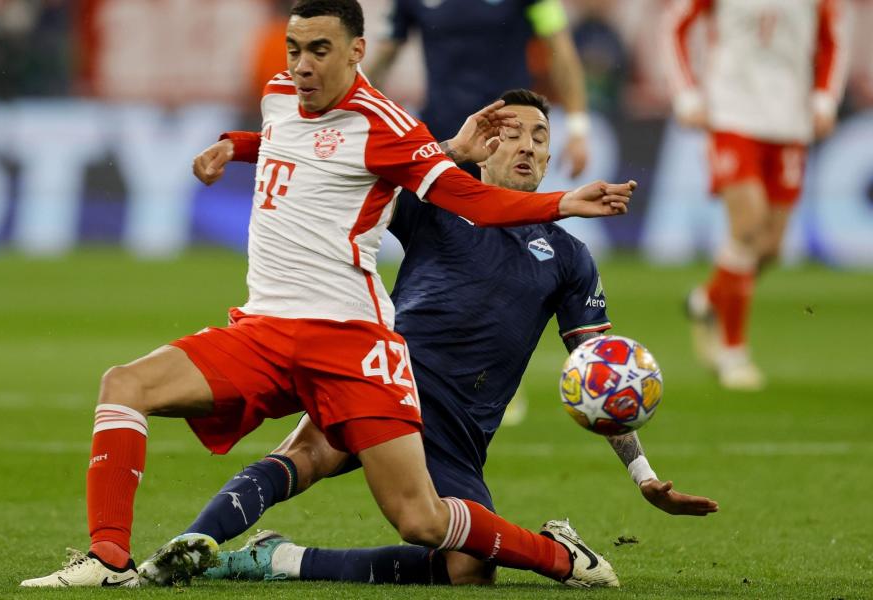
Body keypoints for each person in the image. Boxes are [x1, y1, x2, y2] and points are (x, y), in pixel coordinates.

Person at [20, 0, 636, 588]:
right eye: (293, 50)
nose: (301, 65)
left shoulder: (388, 124)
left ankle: (559, 558)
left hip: (351, 344)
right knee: (125, 385)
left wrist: (561, 203)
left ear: (357, 52)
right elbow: (293, 143)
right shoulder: (280, 96)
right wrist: (234, 146)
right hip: (263, 329)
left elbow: (462, 194)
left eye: (318, 50)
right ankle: (110, 557)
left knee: (421, 520)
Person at [138, 89, 719, 588]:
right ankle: (187, 547)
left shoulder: (569, 256)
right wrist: (240, 147)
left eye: (539, 137)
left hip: (464, 425)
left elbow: (597, 374)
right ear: (484, 144)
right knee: (308, 454)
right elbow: (345, 165)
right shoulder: (435, 203)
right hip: (388, 378)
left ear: (549, 153)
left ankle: (279, 559)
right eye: (508, 133)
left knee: (469, 571)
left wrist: (644, 477)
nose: (525, 147)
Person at [665, 0, 845, 390]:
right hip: (733, 114)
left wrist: (825, 98)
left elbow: (834, 39)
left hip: (790, 120)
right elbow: (674, 25)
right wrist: (687, 94)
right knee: (747, 229)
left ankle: (708, 298)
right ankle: (733, 353)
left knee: (770, 247)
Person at [367, 0, 590, 178]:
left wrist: (577, 128)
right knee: (440, 231)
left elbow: (560, 51)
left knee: (507, 229)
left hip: (509, 137)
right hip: (444, 138)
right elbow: (385, 54)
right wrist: (352, 114)